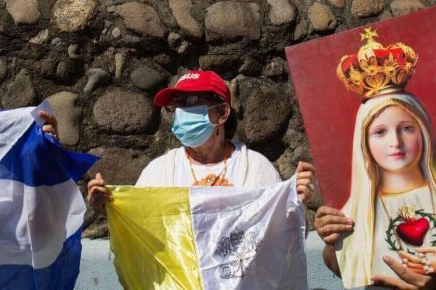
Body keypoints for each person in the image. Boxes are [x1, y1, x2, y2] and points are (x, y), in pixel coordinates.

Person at [315, 33, 436, 288]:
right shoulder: (361, 200)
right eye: (380, 132)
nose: (395, 141)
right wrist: (333, 240)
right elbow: (342, 265)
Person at [87, 69, 315, 214]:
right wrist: (108, 209)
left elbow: (281, 237)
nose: (180, 111)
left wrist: (295, 204)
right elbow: (138, 228)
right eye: (176, 104)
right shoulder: (159, 172)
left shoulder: (255, 169)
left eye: (192, 101)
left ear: (223, 112)